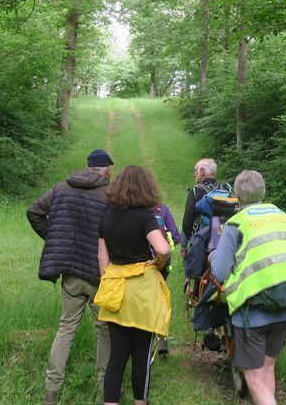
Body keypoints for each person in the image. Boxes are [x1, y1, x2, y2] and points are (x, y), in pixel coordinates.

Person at [211, 170, 286, 405]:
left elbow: (219, 272)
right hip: (284, 308)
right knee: (268, 369)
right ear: (264, 192)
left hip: (252, 314)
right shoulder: (283, 218)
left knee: (253, 375)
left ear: (237, 196)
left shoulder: (236, 224)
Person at [26, 149, 114, 405]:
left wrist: (54, 238)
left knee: (65, 328)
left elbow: (34, 212)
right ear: (106, 169)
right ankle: (104, 392)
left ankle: (51, 392)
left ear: (87, 167)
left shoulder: (61, 187)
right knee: (104, 330)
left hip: (71, 273)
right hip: (100, 274)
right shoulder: (110, 195)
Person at [97, 165, 171, 405]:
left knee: (116, 356)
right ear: (146, 188)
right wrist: (157, 263)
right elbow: (162, 248)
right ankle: (141, 402)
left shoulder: (106, 215)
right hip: (141, 292)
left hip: (115, 290)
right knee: (141, 354)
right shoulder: (145, 215)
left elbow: (102, 258)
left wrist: (108, 279)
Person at [180, 158, 231, 257]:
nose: (194, 174)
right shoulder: (226, 188)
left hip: (202, 240)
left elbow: (187, 221)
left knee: (197, 271)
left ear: (202, 172)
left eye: (195, 171)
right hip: (224, 238)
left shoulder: (196, 190)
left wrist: (183, 247)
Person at [151, 202, 181, 355]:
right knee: (161, 296)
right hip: (162, 261)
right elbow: (176, 236)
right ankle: (162, 337)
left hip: (142, 262)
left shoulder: (132, 208)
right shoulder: (162, 209)